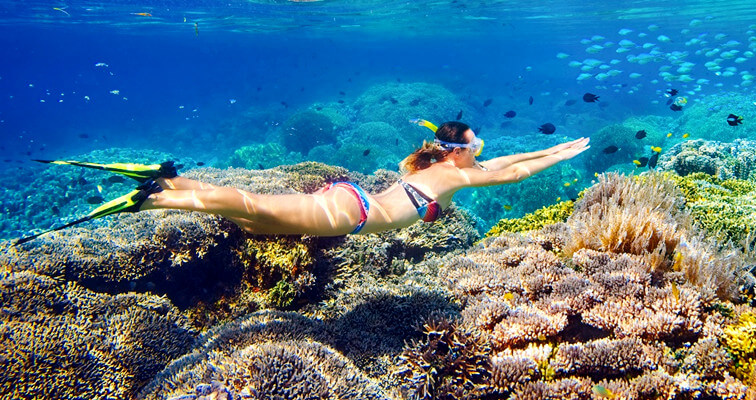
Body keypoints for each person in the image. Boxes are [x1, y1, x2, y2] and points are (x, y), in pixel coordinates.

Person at [15, 121, 589, 244]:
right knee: (250, 209)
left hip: (346, 199)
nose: (485, 153)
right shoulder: (457, 178)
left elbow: (513, 158)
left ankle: (166, 185)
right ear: (466, 152)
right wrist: (558, 156)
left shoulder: (430, 165)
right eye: (479, 146)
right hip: (350, 214)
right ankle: (156, 194)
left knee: (249, 213)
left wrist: (557, 146)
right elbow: (517, 168)